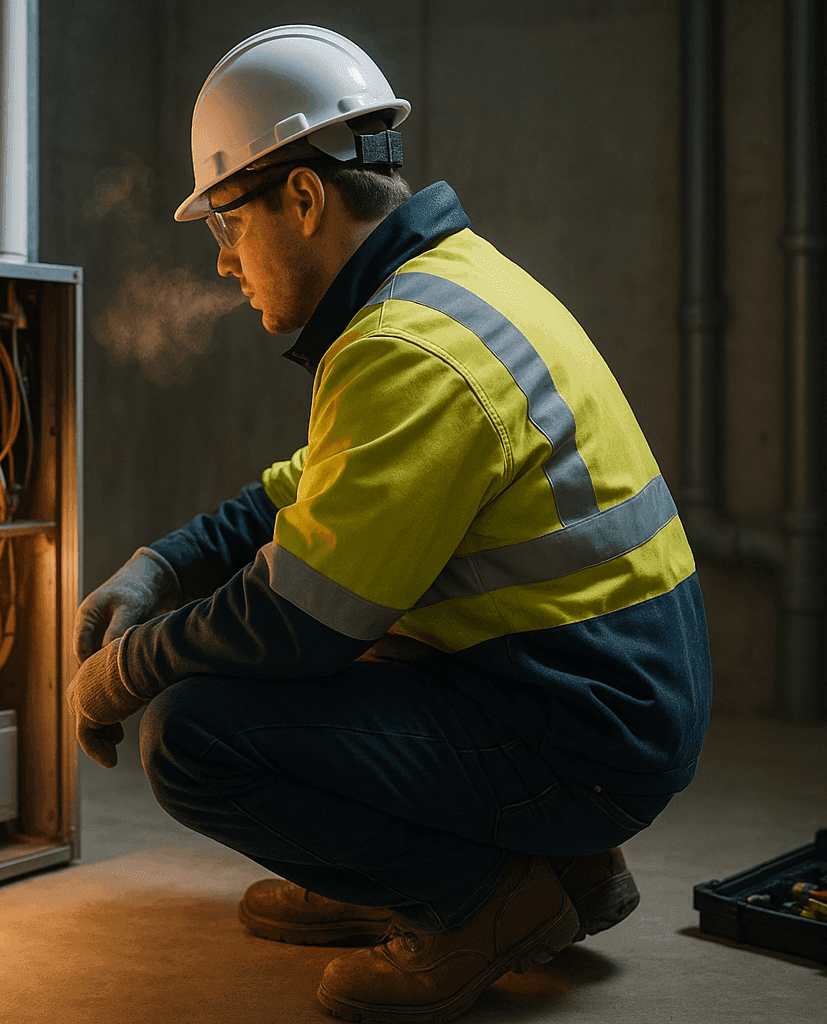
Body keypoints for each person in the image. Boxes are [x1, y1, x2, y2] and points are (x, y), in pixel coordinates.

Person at [66, 24, 711, 1024]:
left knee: (195, 733)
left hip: (588, 736)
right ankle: (561, 871)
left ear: (306, 198)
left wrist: (131, 664)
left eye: (226, 226)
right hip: (600, 700)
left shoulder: (408, 349)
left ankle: (472, 902)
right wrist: (164, 562)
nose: (225, 265)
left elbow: (300, 620)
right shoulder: (450, 284)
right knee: (336, 640)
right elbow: (309, 489)